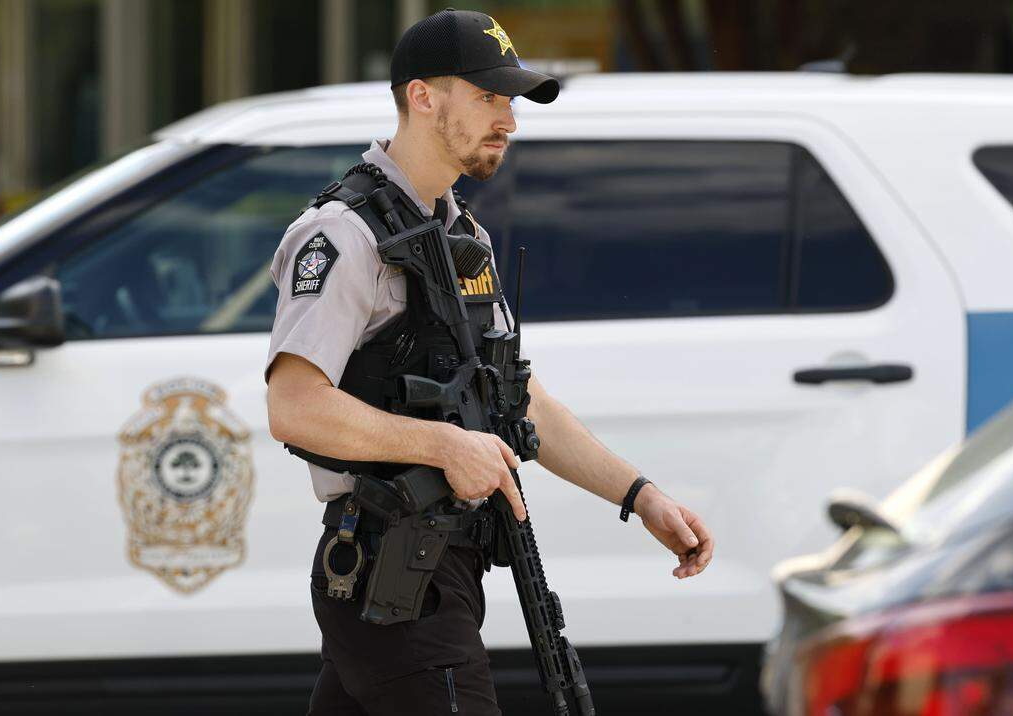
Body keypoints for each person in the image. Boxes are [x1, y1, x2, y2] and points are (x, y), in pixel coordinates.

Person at [265, 9, 714, 715]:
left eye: (510, 101)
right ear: (423, 97)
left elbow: (515, 398)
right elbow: (294, 406)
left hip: (445, 568)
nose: (507, 119)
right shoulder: (342, 235)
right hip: (390, 571)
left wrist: (640, 496)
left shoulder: (459, 233)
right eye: (488, 97)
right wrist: (441, 444)